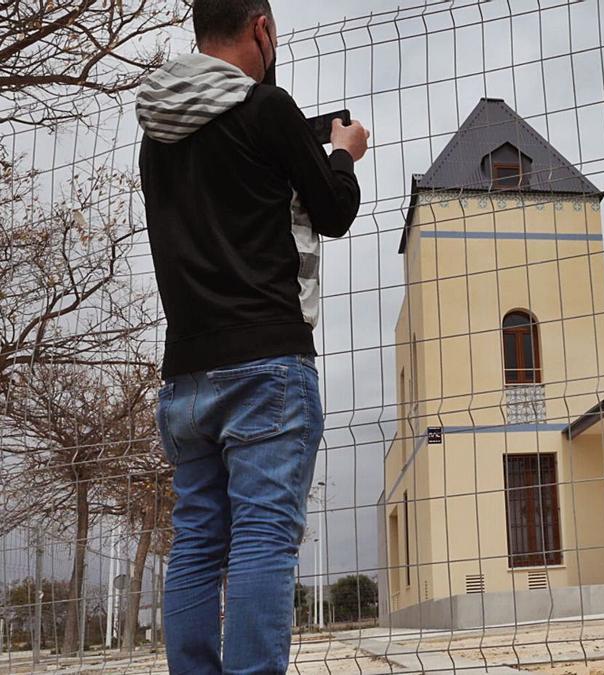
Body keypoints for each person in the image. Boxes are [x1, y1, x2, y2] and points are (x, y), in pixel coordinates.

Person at [136, 0, 369, 671]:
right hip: (266, 362)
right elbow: (332, 209)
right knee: (265, 538)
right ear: (261, 30)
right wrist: (341, 154)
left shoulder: (158, 136)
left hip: (185, 374)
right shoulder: (267, 111)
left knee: (199, 543)